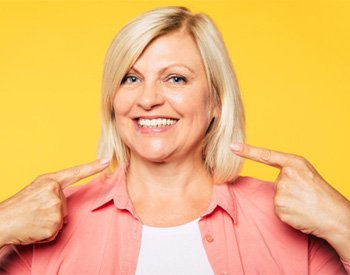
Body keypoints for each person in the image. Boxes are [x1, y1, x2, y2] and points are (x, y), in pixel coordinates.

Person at [0, 6, 349, 274]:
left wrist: (340, 220)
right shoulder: (44, 223)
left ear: (215, 101)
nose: (148, 99)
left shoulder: (290, 220)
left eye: (176, 79)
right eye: (131, 79)